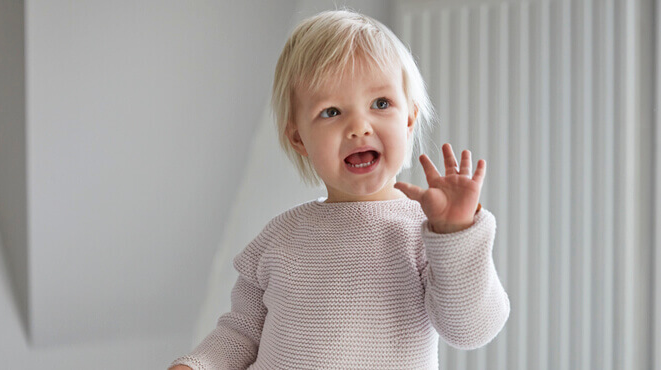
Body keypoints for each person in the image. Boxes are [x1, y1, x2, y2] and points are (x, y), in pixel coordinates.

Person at [168, 8, 509, 369]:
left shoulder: (421, 234)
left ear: (408, 120)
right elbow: (239, 335)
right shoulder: (278, 238)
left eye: (381, 104)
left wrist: (456, 234)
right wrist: (197, 365)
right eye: (331, 112)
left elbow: (471, 331)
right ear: (299, 138)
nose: (359, 126)